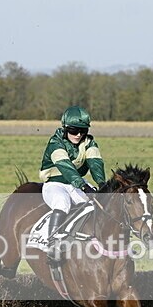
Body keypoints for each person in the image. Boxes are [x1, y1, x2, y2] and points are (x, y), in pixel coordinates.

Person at [39, 106, 106, 263]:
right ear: (65, 128)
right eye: (74, 130)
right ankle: (53, 245)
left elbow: (95, 162)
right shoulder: (55, 143)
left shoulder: (89, 142)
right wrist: (83, 186)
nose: (78, 135)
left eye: (82, 131)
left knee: (93, 205)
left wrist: (102, 183)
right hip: (55, 184)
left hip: (76, 184)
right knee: (63, 203)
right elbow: (66, 168)